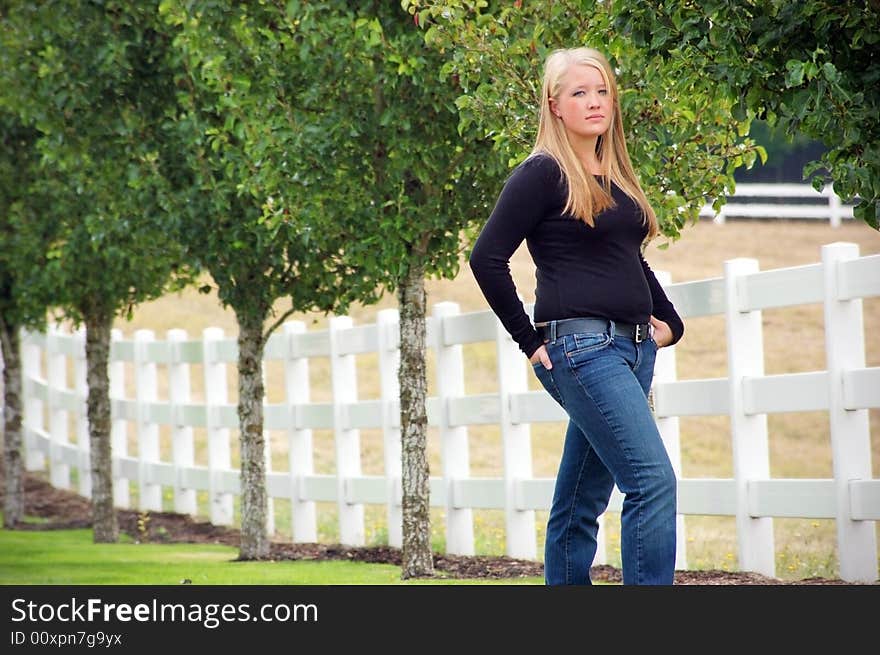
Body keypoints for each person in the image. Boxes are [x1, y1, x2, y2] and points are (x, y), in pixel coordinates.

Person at [469, 47, 684, 585]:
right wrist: (529, 341)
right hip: (583, 350)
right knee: (652, 481)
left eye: (602, 90)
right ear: (555, 105)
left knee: (581, 499)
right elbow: (486, 258)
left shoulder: (612, 174)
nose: (594, 102)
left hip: (634, 351)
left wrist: (670, 321)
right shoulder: (542, 173)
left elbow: (628, 257)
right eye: (579, 93)